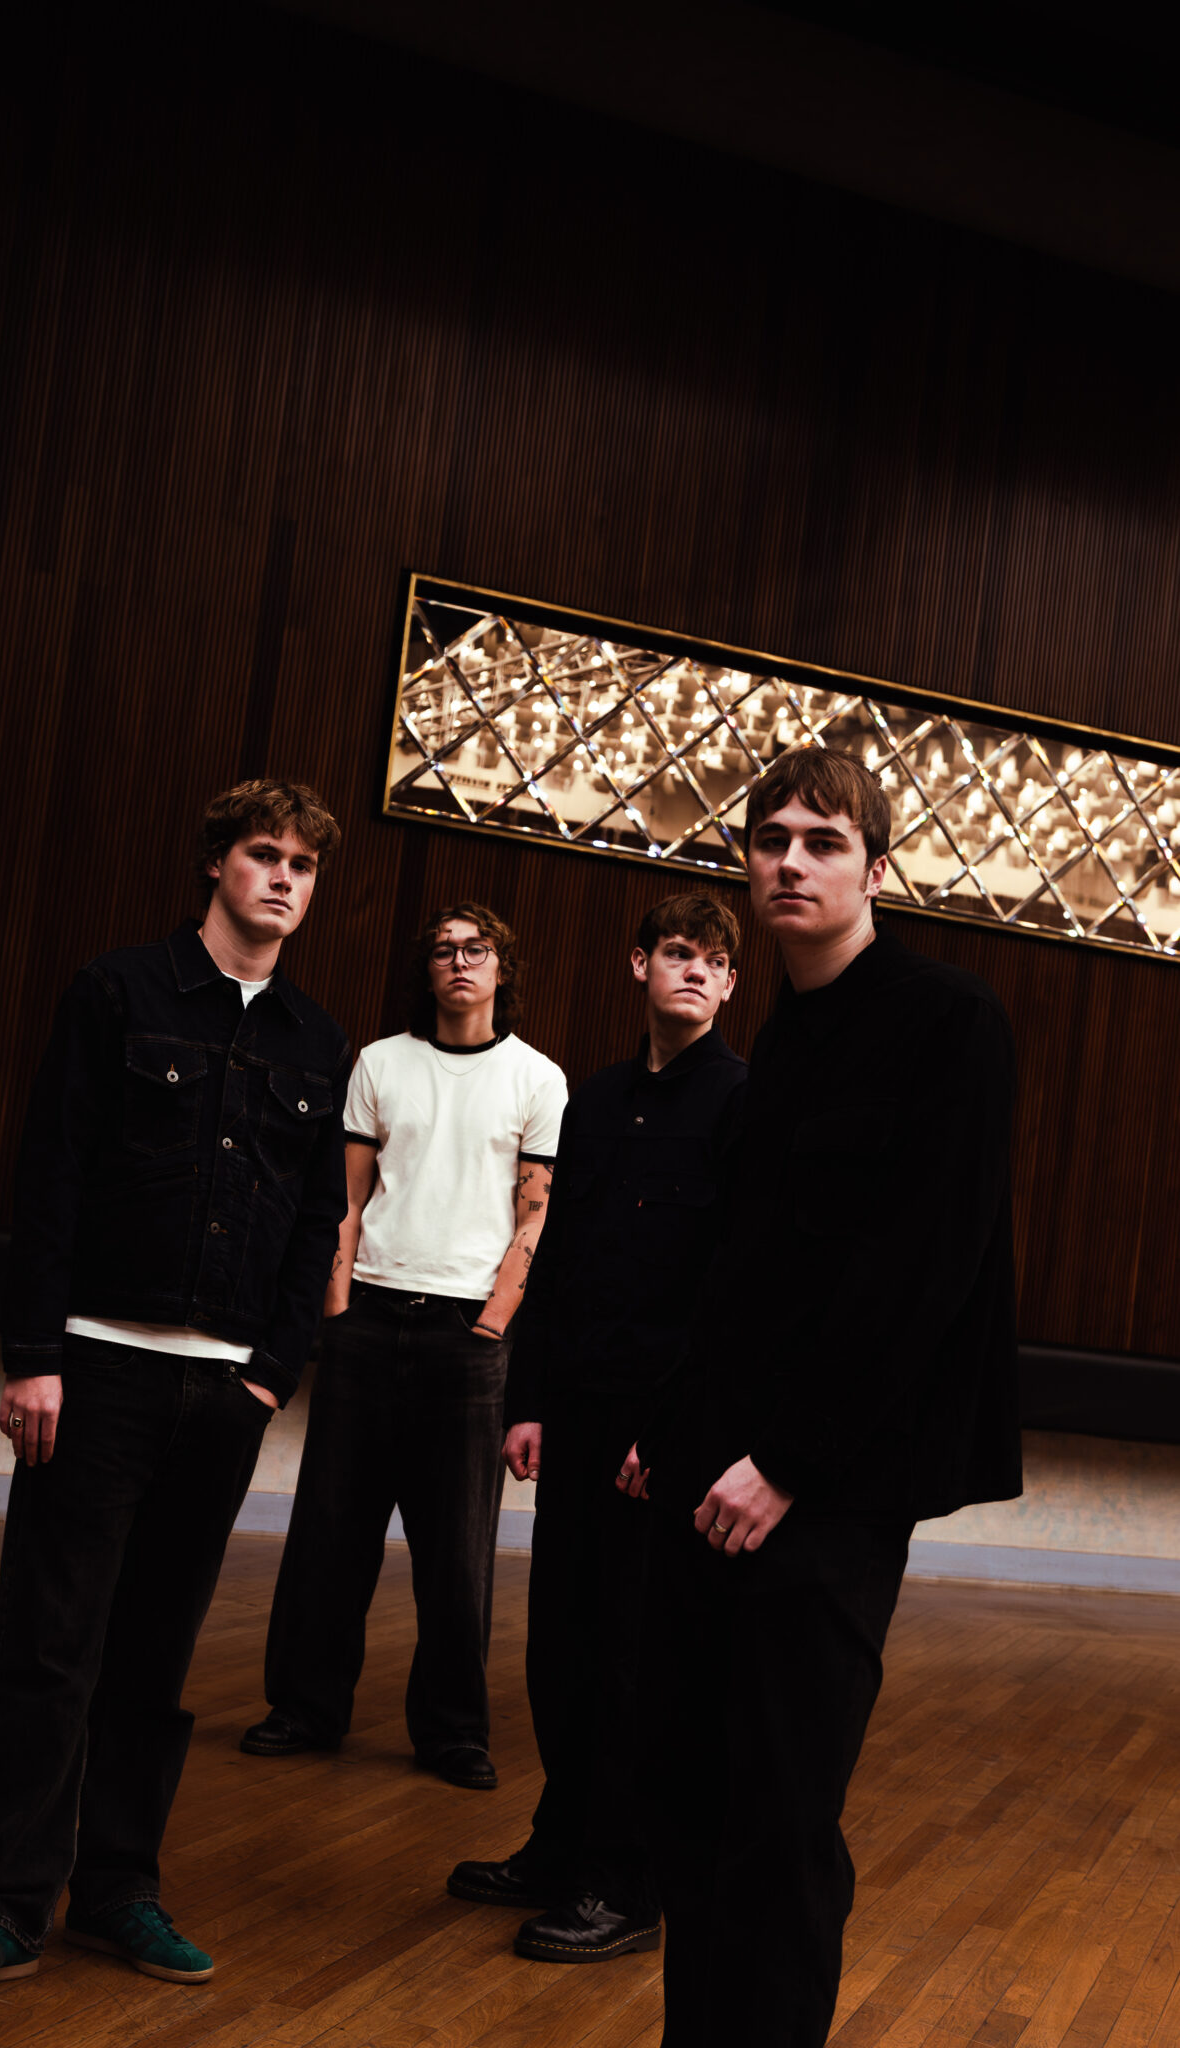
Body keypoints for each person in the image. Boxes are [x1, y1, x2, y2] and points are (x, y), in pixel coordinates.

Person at [0, 779, 350, 2007]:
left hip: (224, 1393)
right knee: (49, 1648)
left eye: (304, 865)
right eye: (264, 854)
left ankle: (117, 1887)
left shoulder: (320, 1041)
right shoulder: (116, 991)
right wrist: (33, 1352)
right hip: (94, 1366)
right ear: (216, 863)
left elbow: (318, 1221)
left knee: (157, 1653)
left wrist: (271, 1375)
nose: (284, 878)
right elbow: (51, 1170)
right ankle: (4, 1906)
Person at [640, 746, 1021, 2047]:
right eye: (770, 840)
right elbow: (745, 1273)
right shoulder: (786, 1035)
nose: (790, 862)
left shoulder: (950, 1019)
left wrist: (789, 1461)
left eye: (823, 841)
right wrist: (671, 1432)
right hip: (724, 1471)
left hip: (830, 1490)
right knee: (695, 1802)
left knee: (782, 1822)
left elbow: (925, 1271)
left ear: (876, 868)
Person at [448, 892, 747, 1963]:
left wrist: (668, 1432)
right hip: (574, 1413)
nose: (694, 971)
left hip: (657, 1436)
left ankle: (625, 1881)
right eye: (677, 952)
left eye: (713, 961)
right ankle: (562, 1844)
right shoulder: (595, 1098)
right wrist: (527, 1398)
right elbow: (559, 1257)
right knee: (561, 1647)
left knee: (632, 1663)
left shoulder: (741, 1102)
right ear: (638, 964)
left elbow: (728, 1291)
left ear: (729, 984)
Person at [241, 902, 566, 1788]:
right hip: (369, 1319)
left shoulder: (537, 1078)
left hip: (467, 1336)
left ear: (501, 967)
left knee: (457, 1551)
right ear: (426, 970)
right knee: (329, 1532)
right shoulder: (380, 1063)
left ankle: (453, 1732)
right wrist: (339, 1308)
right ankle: (304, 1708)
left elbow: (534, 1215)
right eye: (443, 950)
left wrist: (492, 1321)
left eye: (476, 949)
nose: (460, 961)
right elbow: (344, 1198)